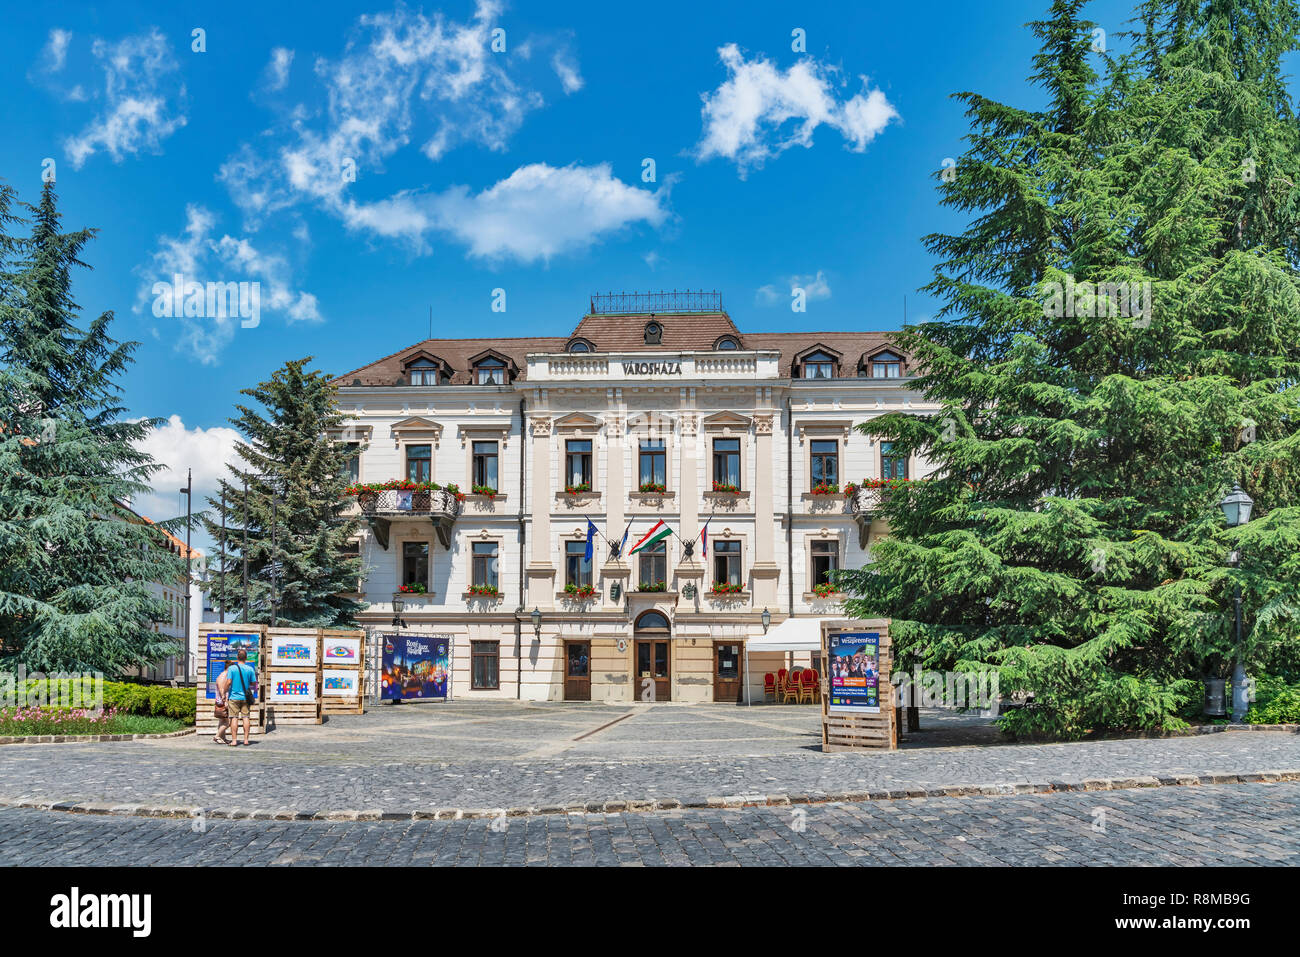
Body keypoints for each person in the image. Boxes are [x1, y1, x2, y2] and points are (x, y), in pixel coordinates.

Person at [223, 648, 258, 746]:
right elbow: (253, 683)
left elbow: (229, 682)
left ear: (237, 657)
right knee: (246, 717)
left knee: (234, 718)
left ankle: (234, 741)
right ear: (246, 658)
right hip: (245, 698)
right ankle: (246, 740)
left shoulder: (231, 668)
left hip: (233, 697)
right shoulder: (250, 669)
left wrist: (224, 691)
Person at [213, 667, 232, 745]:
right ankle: (217, 736)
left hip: (220, 701)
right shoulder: (223, 676)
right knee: (228, 722)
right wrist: (225, 701)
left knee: (222, 721)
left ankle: (222, 738)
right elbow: (221, 690)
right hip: (222, 702)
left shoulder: (223, 676)